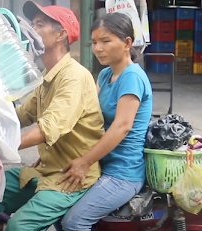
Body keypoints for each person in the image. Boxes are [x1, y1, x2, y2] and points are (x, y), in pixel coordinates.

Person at [0, 1, 105, 230]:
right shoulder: (47, 76)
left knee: (18, 226)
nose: (32, 30)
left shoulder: (73, 77)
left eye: (40, 24)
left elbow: (46, 129)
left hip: (69, 177)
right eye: (32, 24)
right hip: (45, 168)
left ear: (61, 35)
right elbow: (21, 115)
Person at [59, 12, 153, 231]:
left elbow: (122, 126)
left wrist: (84, 162)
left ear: (127, 43)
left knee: (74, 222)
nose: (98, 48)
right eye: (94, 42)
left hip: (123, 172)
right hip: (101, 164)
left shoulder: (132, 77)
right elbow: (91, 116)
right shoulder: (104, 75)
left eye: (105, 41)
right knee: (54, 205)